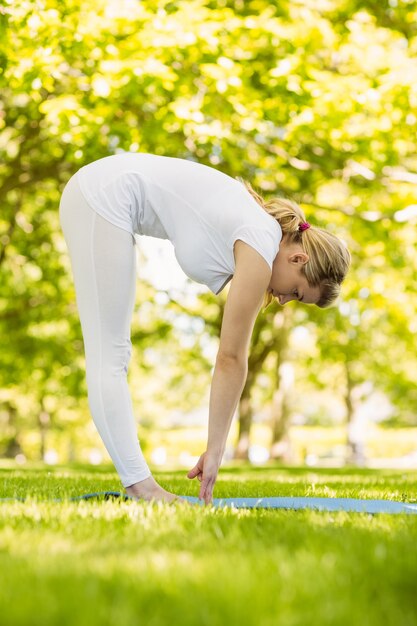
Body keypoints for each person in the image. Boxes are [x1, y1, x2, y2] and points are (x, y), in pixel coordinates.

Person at [59, 152, 350, 505]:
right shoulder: (261, 245)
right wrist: (216, 449)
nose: (284, 300)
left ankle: (140, 486)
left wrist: (215, 447)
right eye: (296, 292)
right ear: (298, 259)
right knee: (111, 354)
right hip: (103, 196)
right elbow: (231, 357)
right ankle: (141, 488)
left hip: (100, 192)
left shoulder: (259, 234)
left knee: (112, 354)